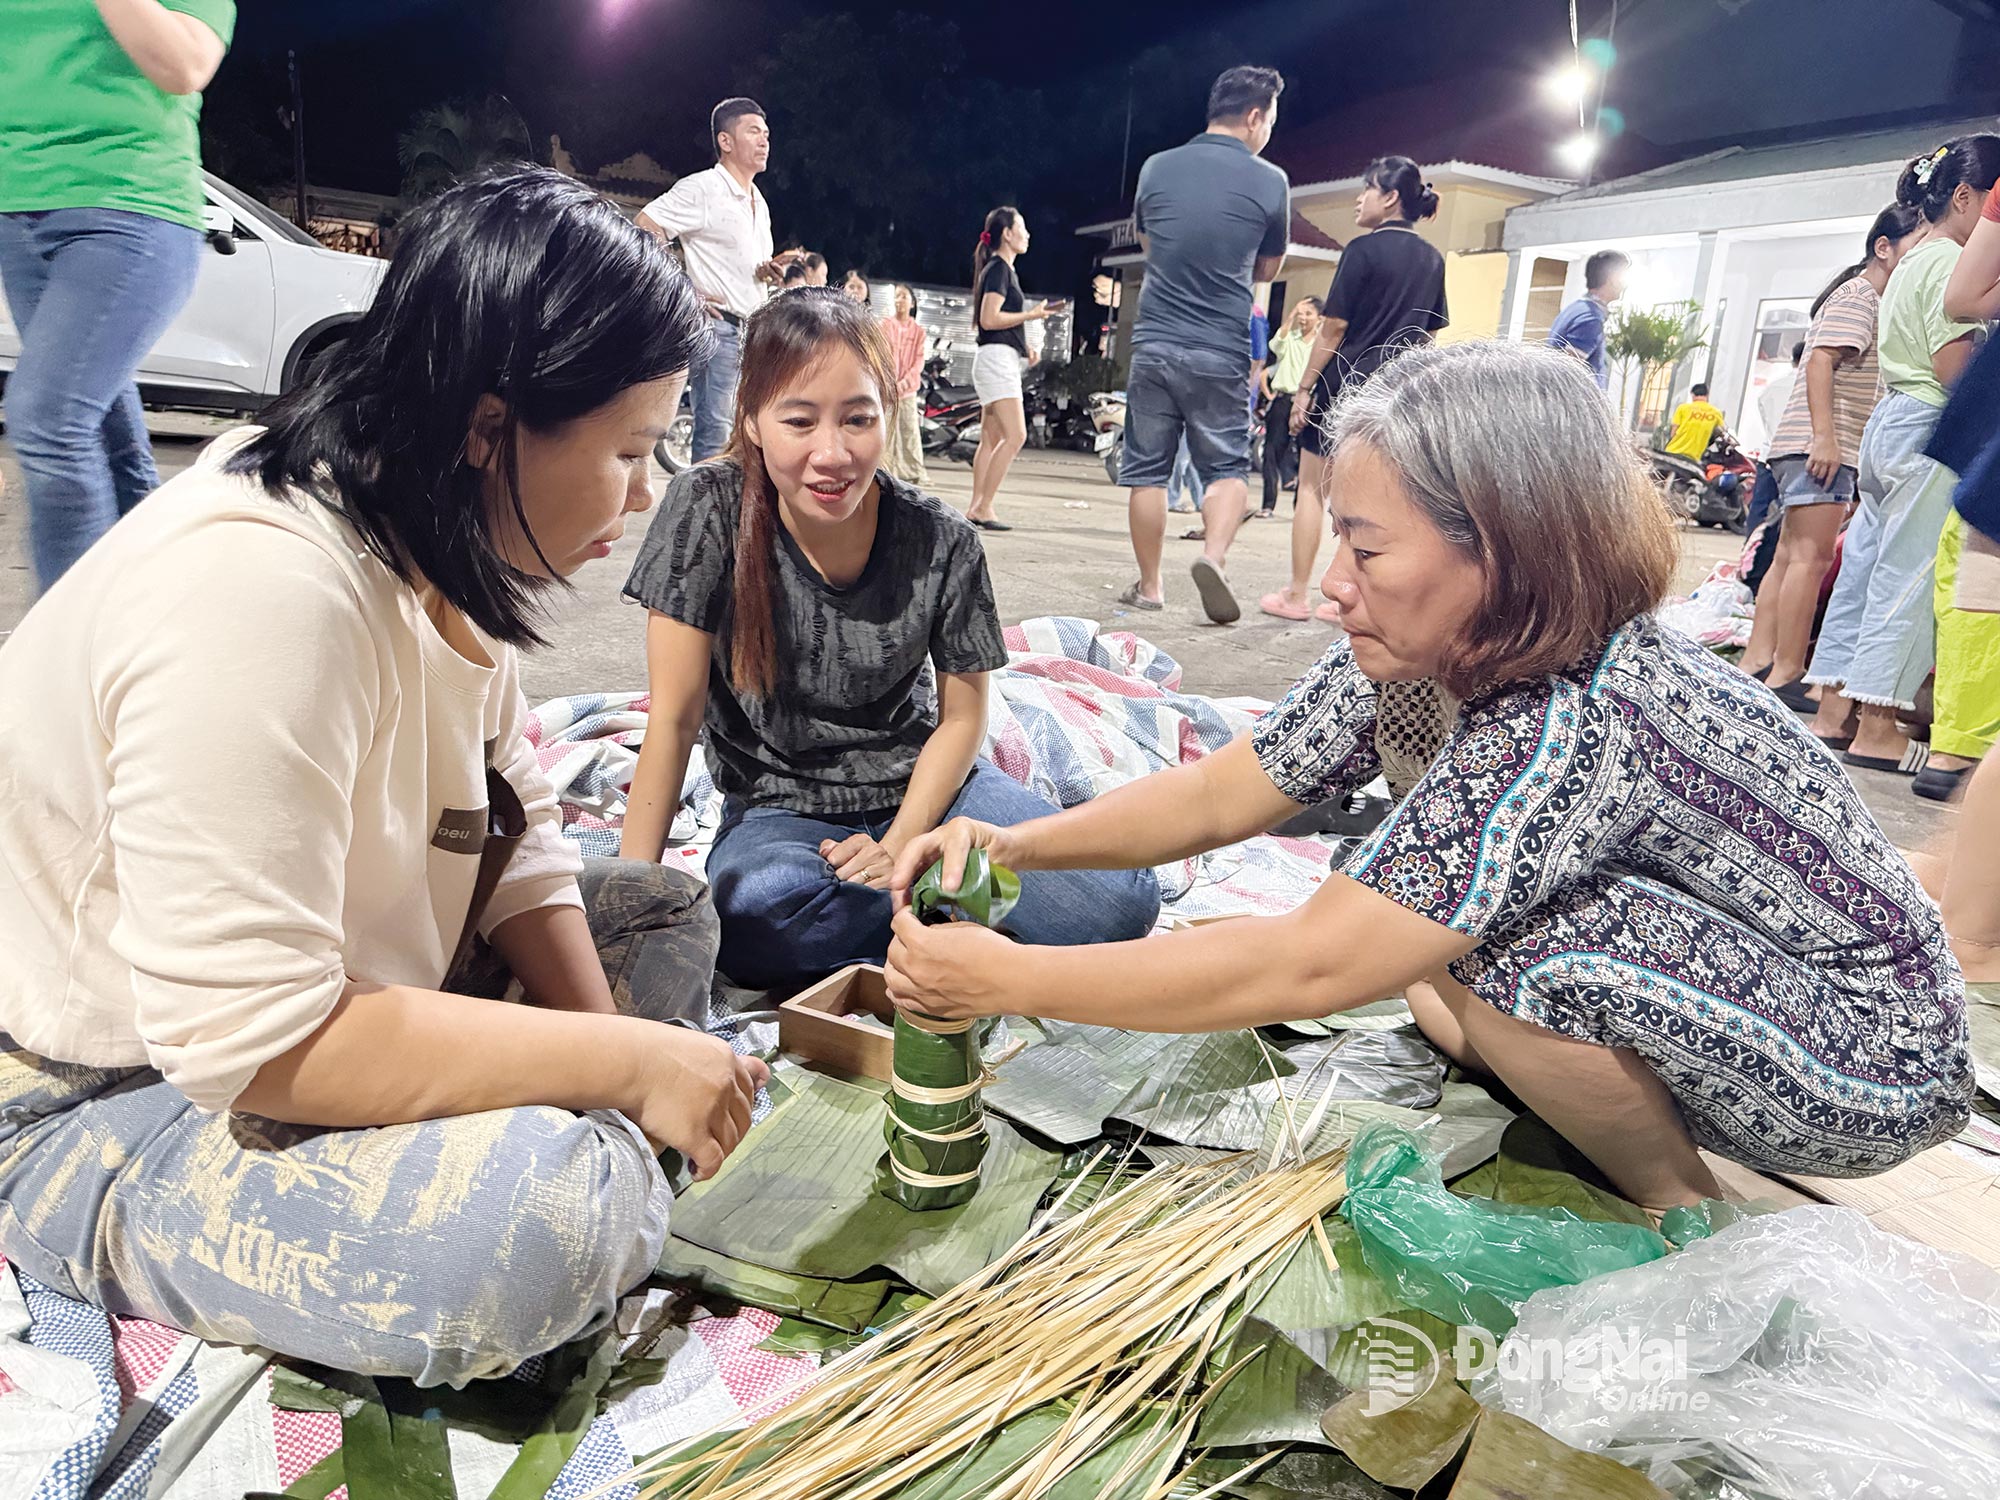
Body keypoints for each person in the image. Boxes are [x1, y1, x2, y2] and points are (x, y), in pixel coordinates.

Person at [884, 339, 1970, 1212]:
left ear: (1501, 550)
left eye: (1365, 548)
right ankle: (1555, 1060)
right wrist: (1017, 844)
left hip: (1869, 1056)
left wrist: (1005, 981)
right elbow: (1226, 792)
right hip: (1730, 990)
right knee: (1419, 917)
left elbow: (1308, 969)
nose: (1333, 585)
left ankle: (1675, 1207)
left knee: (1500, 939)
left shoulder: (1570, 715)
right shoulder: (1418, 649)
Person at [0, 170, 768, 1384]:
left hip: (328, 977)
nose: (641, 492)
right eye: (626, 449)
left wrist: (603, 1044)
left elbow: (510, 817)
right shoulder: (263, 593)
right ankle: (591, 1167)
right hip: (103, 1084)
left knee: (664, 912)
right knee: (546, 1225)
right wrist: (626, 1070)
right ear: (487, 423)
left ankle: (588, 1126)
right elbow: (248, 1043)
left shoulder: (427, 515)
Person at [618, 289, 1158, 988]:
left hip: (934, 798)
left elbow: (963, 719)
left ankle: (922, 909)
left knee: (1119, 902)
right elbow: (674, 717)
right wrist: (631, 899)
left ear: (888, 413)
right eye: (800, 421)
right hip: (782, 811)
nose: (832, 453)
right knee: (754, 914)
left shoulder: (942, 539)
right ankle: (955, 919)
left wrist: (904, 841)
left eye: (857, 419)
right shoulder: (706, 508)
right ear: (751, 419)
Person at [0, 0, 236, 594]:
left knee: (47, 418)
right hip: (17, 209)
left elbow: (183, 65)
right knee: (105, 433)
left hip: (130, 208)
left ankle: (69, 647)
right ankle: (152, 611)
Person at [1807, 135, 2000, 776]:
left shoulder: (1913, 257)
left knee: (1863, 570)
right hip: (1925, 423)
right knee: (1910, 578)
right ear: (1967, 197)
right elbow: (1951, 369)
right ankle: (1880, 728)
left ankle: (1834, 711)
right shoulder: (1951, 261)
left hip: (1888, 424)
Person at [1117, 65, 1290, 622]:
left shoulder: (1155, 166)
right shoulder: (1271, 181)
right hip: (1220, 346)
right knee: (1227, 469)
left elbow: (1149, 243)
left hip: (1154, 343)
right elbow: (1269, 264)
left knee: (1146, 471)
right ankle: (1213, 557)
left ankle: (1149, 586)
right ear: (1255, 116)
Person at [1737, 205, 1923, 713]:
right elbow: (1820, 360)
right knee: (1810, 559)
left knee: (1788, 555)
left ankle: (1759, 661)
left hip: (1806, 444)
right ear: (1883, 247)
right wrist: (1826, 438)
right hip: (1823, 444)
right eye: (1917, 240)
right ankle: (1788, 668)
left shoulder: (1858, 295)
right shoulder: (1862, 295)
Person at [1264, 156, 1447, 624]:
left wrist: (1304, 388)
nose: (1358, 198)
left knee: (1312, 489)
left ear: (1390, 197)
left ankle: (1298, 594)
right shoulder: (1432, 259)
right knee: (1382, 501)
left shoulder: (1362, 250)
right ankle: (1360, 603)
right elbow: (1428, 335)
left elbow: (1334, 327)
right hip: (1399, 395)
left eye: (1367, 188)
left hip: (1345, 385)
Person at [638, 98, 798, 463]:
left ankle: (730, 517)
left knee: (745, 438)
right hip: (719, 330)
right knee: (715, 434)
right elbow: (646, 224)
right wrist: (681, 288)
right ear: (726, 141)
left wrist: (765, 270)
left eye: (767, 134)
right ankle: (703, 519)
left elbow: (742, 266)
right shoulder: (704, 189)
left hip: (753, 335)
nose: (764, 141)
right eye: (753, 131)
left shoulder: (758, 200)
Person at [964, 206, 1060, 533]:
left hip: (996, 357)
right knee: (1016, 435)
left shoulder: (998, 269)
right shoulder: (999, 269)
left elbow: (994, 323)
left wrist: (1024, 346)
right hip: (995, 361)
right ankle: (983, 505)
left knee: (990, 439)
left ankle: (977, 505)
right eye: (1022, 227)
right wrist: (1031, 316)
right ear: (1007, 234)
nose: (1027, 234)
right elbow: (989, 319)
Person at [1258, 296, 1320, 518]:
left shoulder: (1320, 344)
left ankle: (1300, 507)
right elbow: (1275, 344)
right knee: (1271, 452)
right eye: (1301, 313)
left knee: (1306, 454)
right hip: (1283, 400)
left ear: (1319, 318)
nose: (1303, 318)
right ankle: (1267, 505)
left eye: (1308, 314)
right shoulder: (1290, 338)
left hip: (1307, 403)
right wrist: (1291, 316)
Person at [1545, 249, 1629, 391]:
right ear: (1612, 278)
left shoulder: (1575, 309)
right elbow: (1567, 374)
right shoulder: (1590, 319)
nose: (1625, 285)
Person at [881, 283, 930, 485]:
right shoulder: (884, 326)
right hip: (888, 388)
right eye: (897, 296)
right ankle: (885, 470)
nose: (899, 300)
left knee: (909, 431)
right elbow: (881, 354)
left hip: (908, 390)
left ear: (912, 302)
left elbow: (919, 361)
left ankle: (914, 472)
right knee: (887, 430)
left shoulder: (918, 331)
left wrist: (905, 382)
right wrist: (890, 381)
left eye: (904, 296)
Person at [1662, 383, 1725, 460]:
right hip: (1694, 458)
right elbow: (1721, 432)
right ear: (1707, 395)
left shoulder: (1683, 408)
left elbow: (1673, 432)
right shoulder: (1716, 413)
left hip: (1673, 452)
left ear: (1692, 395)